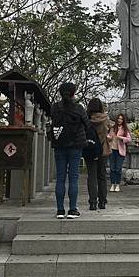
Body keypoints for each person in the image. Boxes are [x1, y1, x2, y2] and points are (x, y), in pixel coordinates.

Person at [50, 82, 92, 219]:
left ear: (60, 93)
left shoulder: (55, 107)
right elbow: (87, 125)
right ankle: (73, 209)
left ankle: (60, 210)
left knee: (60, 178)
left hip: (59, 145)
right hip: (75, 146)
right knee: (73, 178)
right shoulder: (79, 108)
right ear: (74, 93)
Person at [83, 98, 111, 211]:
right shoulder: (105, 119)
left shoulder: (86, 119)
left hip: (90, 149)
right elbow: (107, 133)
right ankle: (102, 201)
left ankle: (92, 202)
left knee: (92, 176)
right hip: (103, 150)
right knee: (102, 176)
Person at [107, 113, 132, 192]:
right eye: (118, 118)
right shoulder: (113, 128)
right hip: (112, 150)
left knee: (118, 169)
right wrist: (107, 137)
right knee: (112, 168)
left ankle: (117, 184)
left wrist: (120, 138)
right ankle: (112, 184)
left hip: (120, 151)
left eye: (121, 119)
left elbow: (129, 139)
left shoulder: (125, 129)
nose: (119, 120)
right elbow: (109, 137)